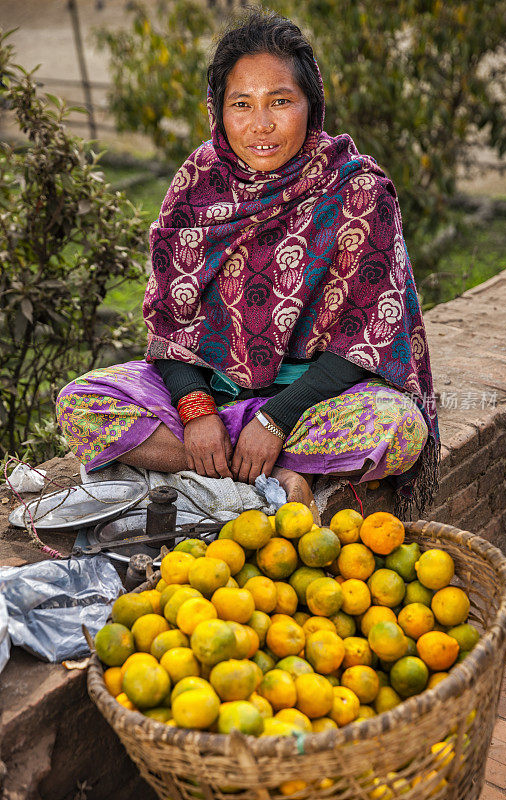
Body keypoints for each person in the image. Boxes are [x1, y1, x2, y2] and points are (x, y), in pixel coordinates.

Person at [56, 10, 440, 519]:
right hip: (211, 396)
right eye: (242, 104)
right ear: (219, 110)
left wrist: (277, 419)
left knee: (400, 428)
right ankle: (269, 472)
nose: (261, 125)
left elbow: (366, 336)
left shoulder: (356, 189)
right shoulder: (197, 184)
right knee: (82, 403)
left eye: (280, 101)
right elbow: (172, 324)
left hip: (315, 404)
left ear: (312, 105)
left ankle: (232, 467)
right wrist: (196, 414)